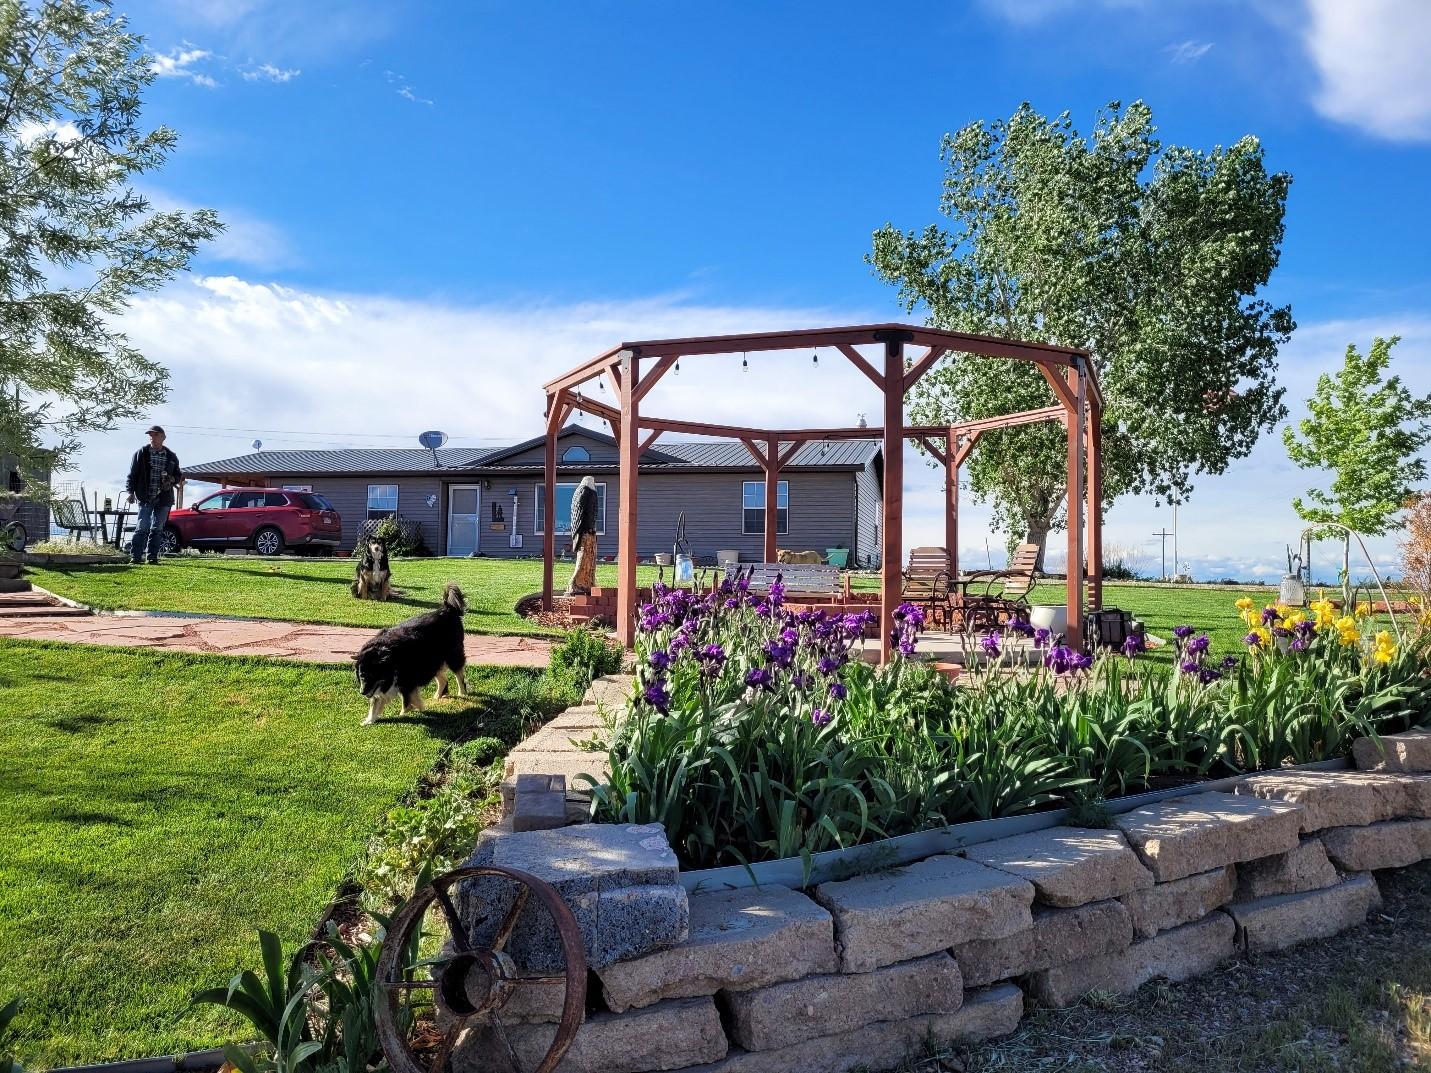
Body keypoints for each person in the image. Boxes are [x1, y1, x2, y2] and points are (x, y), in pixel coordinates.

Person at [125, 425, 184, 565]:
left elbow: (178, 474)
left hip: (164, 498)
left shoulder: (171, 456)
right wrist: (130, 492)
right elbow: (132, 475)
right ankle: (136, 557)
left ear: (163, 437)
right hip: (145, 496)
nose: (152, 437)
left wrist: (172, 479)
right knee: (142, 527)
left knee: (157, 528)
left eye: (155, 434)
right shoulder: (141, 453)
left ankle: (152, 557)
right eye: (150, 434)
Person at [564, 475, 599, 595]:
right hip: (583, 531)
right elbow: (580, 514)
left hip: (589, 531)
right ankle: (576, 584)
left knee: (589, 559)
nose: (591, 481)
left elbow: (592, 513)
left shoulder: (592, 492)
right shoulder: (583, 491)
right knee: (583, 557)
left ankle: (587, 583)